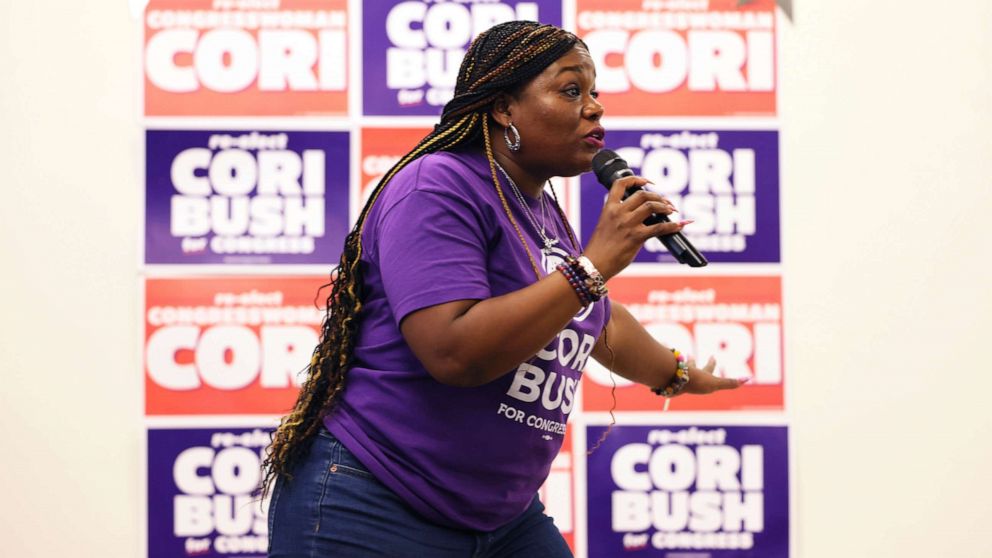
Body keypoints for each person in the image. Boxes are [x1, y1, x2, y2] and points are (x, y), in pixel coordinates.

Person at [263, 20, 745, 557]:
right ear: (503, 108)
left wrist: (678, 375)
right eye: (570, 90)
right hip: (375, 501)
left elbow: (597, 319)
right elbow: (454, 352)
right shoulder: (436, 186)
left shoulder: (539, 210)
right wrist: (593, 265)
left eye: (594, 93)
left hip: (501, 516)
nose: (594, 108)